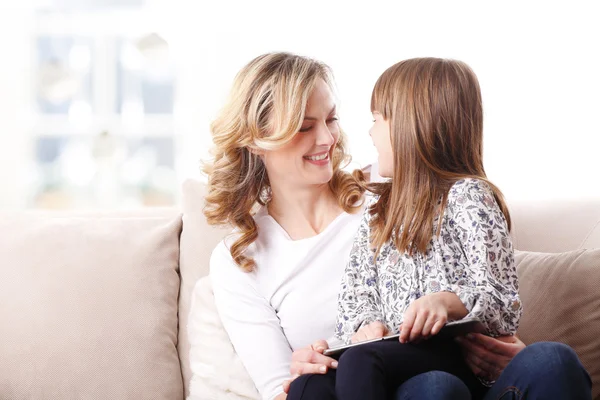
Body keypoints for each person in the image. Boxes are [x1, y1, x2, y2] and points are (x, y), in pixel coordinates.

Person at [202, 52, 591, 400]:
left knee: (547, 363)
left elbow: (485, 282)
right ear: (255, 140)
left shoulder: (392, 190)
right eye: (305, 126)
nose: (328, 138)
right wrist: (303, 364)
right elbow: (280, 390)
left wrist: (506, 349)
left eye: (332, 119)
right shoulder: (239, 259)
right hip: (368, 383)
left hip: (452, 372)